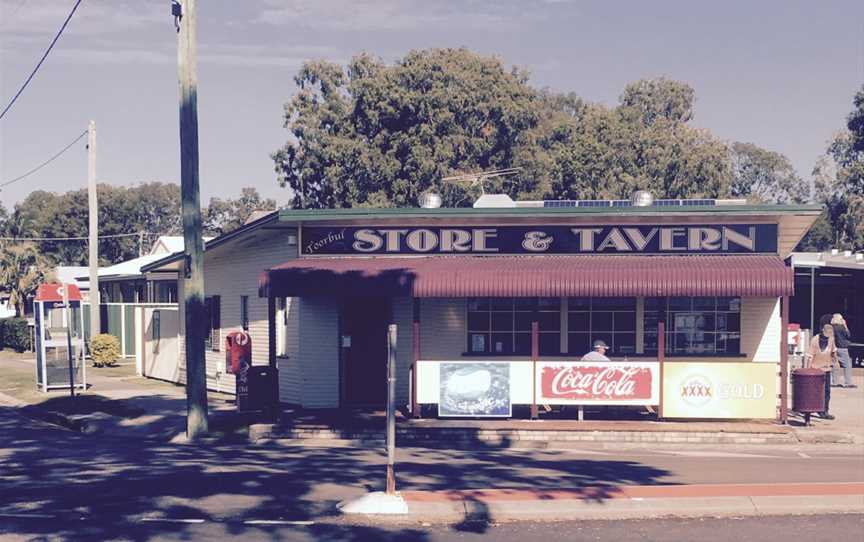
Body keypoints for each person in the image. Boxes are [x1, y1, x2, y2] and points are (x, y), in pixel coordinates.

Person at [805, 323, 838, 420]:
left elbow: (833, 350)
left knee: (827, 392)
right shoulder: (815, 340)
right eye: (827, 334)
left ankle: (824, 411)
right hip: (815, 370)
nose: (828, 336)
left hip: (826, 369)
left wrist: (835, 360)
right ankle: (811, 409)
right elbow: (810, 356)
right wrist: (808, 370)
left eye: (830, 334)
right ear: (822, 331)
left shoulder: (831, 339)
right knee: (815, 392)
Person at [831, 313, 856, 388]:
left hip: (834, 348)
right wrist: (845, 325)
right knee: (847, 365)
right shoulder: (841, 327)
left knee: (835, 365)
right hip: (843, 348)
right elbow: (848, 335)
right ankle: (848, 382)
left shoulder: (832, 327)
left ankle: (835, 382)